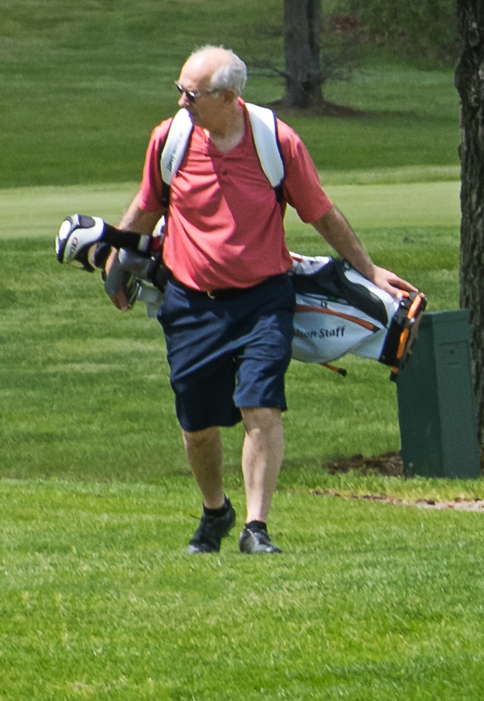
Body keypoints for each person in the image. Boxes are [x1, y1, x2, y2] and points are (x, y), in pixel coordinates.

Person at [109, 46, 413, 555]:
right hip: (190, 303)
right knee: (198, 426)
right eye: (180, 90)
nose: (182, 101)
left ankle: (257, 527)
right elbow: (147, 205)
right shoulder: (171, 139)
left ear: (229, 96)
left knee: (261, 407)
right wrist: (116, 261)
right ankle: (215, 512)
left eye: (192, 93)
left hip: (264, 300)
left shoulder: (276, 141)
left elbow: (322, 212)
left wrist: (370, 270)